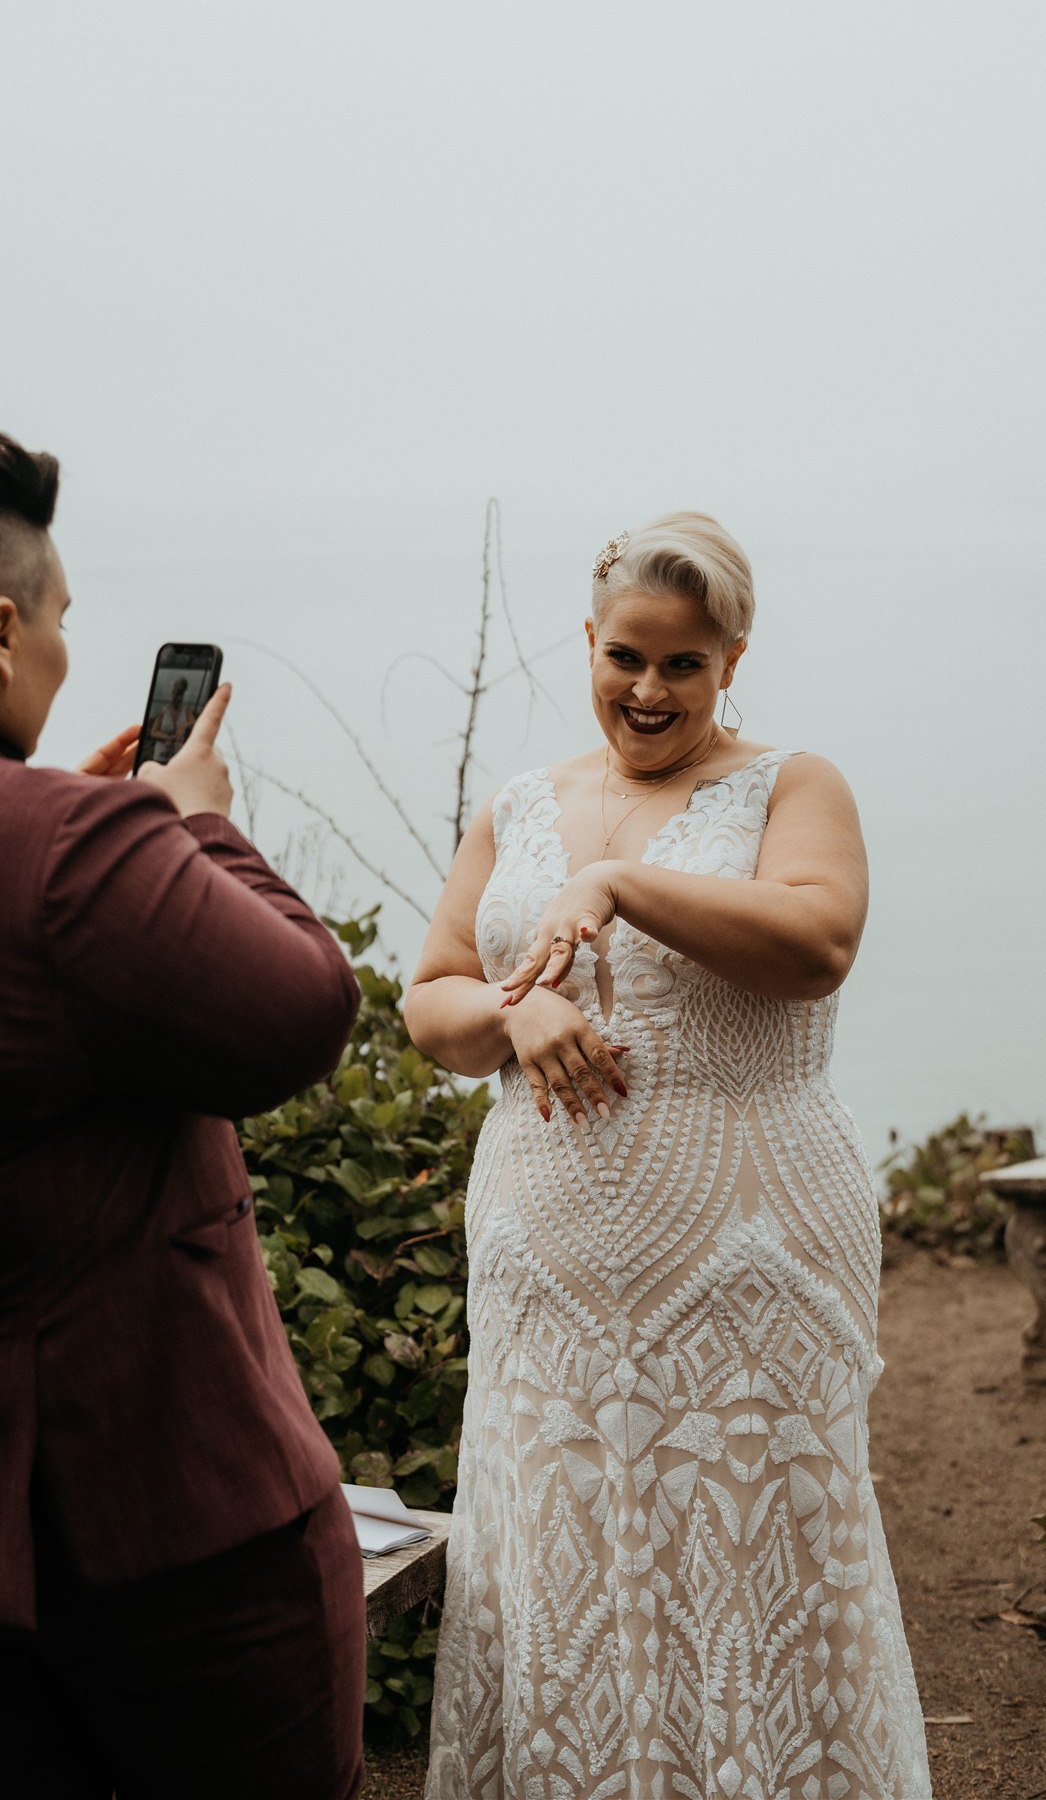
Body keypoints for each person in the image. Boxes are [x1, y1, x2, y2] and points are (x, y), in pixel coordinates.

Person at [0, 425, 366, 1800]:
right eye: (57, 618)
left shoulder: (17, 834)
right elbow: (302, 1011)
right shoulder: (71, 846)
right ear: (2, 629)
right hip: (167, 1532)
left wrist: (90, 837)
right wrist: (191, 827)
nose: (61, 650)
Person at [405, 513, 931, 1798]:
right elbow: (431, 1002)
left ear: (732, 660)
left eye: (684, 664)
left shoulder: (793, 784)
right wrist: (516, 1011)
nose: (648, 690)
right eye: (626, 656)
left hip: (749, 1242)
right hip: (549, 1255)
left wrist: (622, 886)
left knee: (758, 1549)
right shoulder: (519, 804)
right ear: (588, 641)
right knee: (563, 1545)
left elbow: (818, 942)